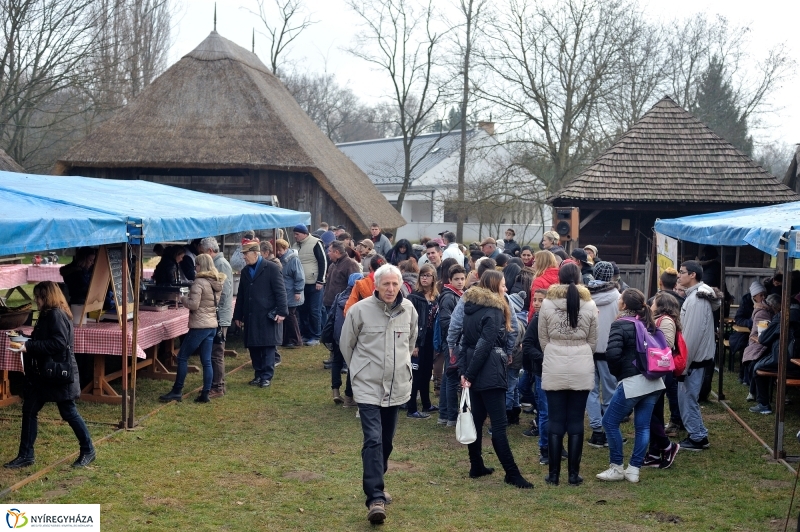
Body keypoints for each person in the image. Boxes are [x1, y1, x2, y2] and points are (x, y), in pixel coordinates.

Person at [340, 264, 417, 524]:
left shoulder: (409, 310)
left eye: (395, 284)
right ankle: (375, 498)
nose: (391, 289)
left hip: (396, 386)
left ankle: (378, 479)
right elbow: (346, 345)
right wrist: (360, 372)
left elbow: (411, 342)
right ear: (376, 285)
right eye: (386, 284)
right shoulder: (359, 311)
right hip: (368, 386)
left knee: (386, 440)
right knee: (373, 438)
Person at [5, 282, 95, 469]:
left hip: (57, 373)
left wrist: (28, 346)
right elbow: (46, 340)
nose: (36, 300)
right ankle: (26, 455)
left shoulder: (55, 314)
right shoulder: (51, 314)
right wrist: (23, 339)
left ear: (47, 297)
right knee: (29, 410)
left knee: (68, 412)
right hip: (45, 374)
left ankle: (88, 449)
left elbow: (58, 343)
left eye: (38, 296)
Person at [458, 270, 533, 489]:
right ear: (493, 286)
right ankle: (512, 473)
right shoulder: (494, 310)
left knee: (477, 420)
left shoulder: (471, 307)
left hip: (475, 366)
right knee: (499, 425)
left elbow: (465, 342)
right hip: (488, 370)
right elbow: (485, 343)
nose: (506, 288)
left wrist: (465, 371)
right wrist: (469, 374)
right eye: (502, 285)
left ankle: (476, 465)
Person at [596, 288, 665, 483]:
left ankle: (617, 466)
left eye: (620, 299)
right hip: (654, 381)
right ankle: (634, 469)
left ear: (624, 305)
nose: (618, 300)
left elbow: (612, 353)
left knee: (609, 422)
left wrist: (618, 373)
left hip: (633, 381)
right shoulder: (647, 321)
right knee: (642, 426)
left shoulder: (620, 324)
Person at [538, 262, 598, 486]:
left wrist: (555, 351)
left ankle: (553, 475)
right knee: (575, 420)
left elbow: (542, 337)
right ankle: (573, 474)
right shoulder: (590, 304)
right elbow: (593, 340)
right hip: (581, 362)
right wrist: (580, 352)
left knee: (555, 419)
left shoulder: (547, 303)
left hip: (554, 360)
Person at [159, 254, 224, 403]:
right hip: (212, 324)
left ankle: (177, 390)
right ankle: (205, 393)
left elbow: (194, 305)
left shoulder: (199, 282)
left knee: (182, 357)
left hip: (199, 325)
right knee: (206, 361)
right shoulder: (216, 282)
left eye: (196, 265)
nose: (194, 268)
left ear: (201, 266)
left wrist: (182, 298)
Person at [676, 260, 721, 450]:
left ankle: (698, 437)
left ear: (693, 275)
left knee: (687, 398)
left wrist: (683, 366)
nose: (678, 275)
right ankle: (698, 433)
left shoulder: (696, 301)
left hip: (694, 360)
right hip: (697, 358)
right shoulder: (696, 297)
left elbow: (691, 336)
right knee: (687, 397)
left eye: (682, 272)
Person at [233, 240, 288, 388]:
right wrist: (237, 315)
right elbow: (241, 295)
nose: (244, 257)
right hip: (251, 315)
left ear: (255, 253)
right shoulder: (245, 272)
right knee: (254, 346)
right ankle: (258, 374)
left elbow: (280, 291)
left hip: (267, 314)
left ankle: (266, 376)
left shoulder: (271, 268)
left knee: (268, 346)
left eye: (246, 254)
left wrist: (282, 311)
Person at [642, 292, 682, 470]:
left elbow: (666, 344)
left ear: (662, 305)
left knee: (650, 412)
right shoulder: (659, 319)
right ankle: (653, 453)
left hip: (660, 370)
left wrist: (646, 336)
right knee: (655, 412)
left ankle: (667, 446)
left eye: (654, 302)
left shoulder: (665, 321)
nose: (651, 304)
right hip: (656, 369)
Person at [585, 261, 620, 448]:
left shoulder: (585, 297)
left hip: (588, 349)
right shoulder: (618, 297)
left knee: (590, 391)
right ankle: (609, 430)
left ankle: (597, 431)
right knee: (610, 392)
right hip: (610, 350)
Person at [199, 237, 233, 398]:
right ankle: (215, 384)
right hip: (217, 314)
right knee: (214, 351)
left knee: (217, 352)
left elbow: (224, 293)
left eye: (203, 253)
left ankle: (218, 386)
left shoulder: (220, 265)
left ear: (210, 251)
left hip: (219, 315)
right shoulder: (218, 264)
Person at [406, 263, 439, 418]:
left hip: (431, 339)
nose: (425, 278)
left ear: (433, 278)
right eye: (423, 275)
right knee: (416, 374)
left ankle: (426, 403)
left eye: (428, 275)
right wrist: (415, 344)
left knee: (427, 373)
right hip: (418, 340)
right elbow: (410, 322)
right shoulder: (414, 297)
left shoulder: (435, 296)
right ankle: (411, 408)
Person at [522, 288, 549, 462]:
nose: (537, 303)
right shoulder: (536, 319)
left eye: (541, 300)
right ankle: (545, 448)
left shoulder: (551, 319)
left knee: (551, 411)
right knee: (545, 410)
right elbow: (528, 343)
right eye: (535, 300)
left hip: (547, 369)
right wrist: (543, 358)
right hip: (538, 368)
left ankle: (555, 446)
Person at [327, 272, 362, 407]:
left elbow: (331, 316)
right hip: (351, 335)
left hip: (337, 334)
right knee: (351, 364)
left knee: (336, 361)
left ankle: (336, 391)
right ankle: (348, 397)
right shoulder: (359, 300)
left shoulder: (339, 296)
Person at [437, 264, 466, 426]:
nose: (460, 282)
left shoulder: (459, 294)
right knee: (451, 378)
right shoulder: (449, 297)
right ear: (450, 280)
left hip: (453, 341)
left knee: (449, 378)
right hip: (451, 342)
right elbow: (446, 322)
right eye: (457, 279)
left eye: (462, 278)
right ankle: (451, 416)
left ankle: (444, 414)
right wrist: (462, 328)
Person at [292, 224, 327, 347]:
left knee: (314, 310)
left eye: (297, 234)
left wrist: (320, 280)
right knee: (303, 310)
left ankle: (316, 335)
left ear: (304, 233)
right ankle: (306, 333)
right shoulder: (295, 246)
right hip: (301, 284)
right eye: (294, 234)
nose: (295, 236)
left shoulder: (316, 243)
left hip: (314, 283)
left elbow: (323, 261)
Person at [742, 293, 780, 394]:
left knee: (757, 364)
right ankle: (756, 393)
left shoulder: (767, 311)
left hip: (762, 344)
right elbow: (763, 336)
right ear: (774, 306)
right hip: (758, 345)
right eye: (778, 308)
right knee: (756, 365)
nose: (779, 310)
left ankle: (754, 393)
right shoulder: (763, 313)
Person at [275, 239, 305, 350]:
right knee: (288, 316)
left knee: (290, 316)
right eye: (277, 250)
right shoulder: (281, 259)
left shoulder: (293, 260)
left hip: (292, 292)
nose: (278, 252)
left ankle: (296, 339)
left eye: (280, 250)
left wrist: (298, 291)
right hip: (286, 291)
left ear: (286, 249)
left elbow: (300, 277)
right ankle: (287, 339)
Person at [730, 281, 763, 381]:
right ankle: (743, 374)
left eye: (764, 295)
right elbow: (738, 319)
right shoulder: (746, 301)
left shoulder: (766, 304)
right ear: (754, 296)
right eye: (761, 295)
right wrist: (750, 322)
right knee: (744, 345)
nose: (763, 298)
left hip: (760, 333)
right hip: (746, 332)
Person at [324, 240, 360, 321]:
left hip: (340, 306)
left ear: (336, 252)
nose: (328, 253)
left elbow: (355, 286)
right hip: (329, 303)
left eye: (330, 251)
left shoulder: (350, 264)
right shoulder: (332, 265)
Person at [527, 250, 559, 322]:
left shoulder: (539, 281)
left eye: (534, 262)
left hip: (540, 319)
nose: (532, 265)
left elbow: (534, 305)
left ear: (540, 263)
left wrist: (530, 321)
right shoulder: (560, 277)